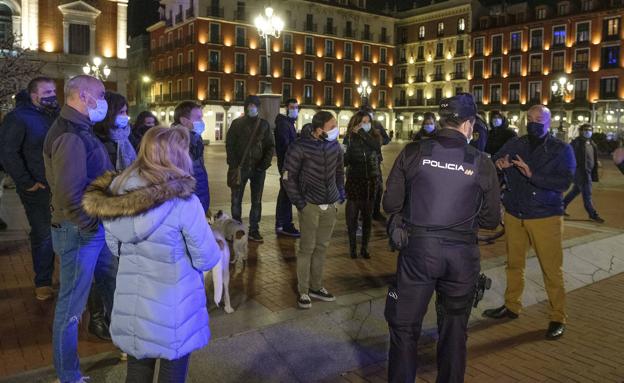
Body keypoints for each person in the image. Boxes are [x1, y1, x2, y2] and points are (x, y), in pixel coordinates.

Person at [83, 126, 220, 383]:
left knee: (137, 370)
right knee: (173, 371)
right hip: (173, 306)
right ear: (176, 157)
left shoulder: (117, 196)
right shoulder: (184, 203)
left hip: (134, 304)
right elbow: (207, 257)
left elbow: (115, 247)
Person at [383, 93, 500, 383]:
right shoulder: (482, 162)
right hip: (461, 258)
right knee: (455, 331)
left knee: (404, 329)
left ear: (443, 120)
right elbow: (491, 220)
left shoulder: (413, 152)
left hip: (418, 253)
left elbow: (389, 203)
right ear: (469, 124)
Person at [43, 75, 118, 383]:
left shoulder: (78, 129)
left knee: (111, 280)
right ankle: (69, 374)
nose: (104, 102)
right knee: (71, 308)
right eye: (100, 95)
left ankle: (125, 340)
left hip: (89, 228)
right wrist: (89, 226)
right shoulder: (71, 135)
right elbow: (68, 194)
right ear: (85, 97)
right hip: (80, 231)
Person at [483, 105, 576, 341]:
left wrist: (531, 175)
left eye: (539, 119)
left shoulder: (561, 148)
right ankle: (512, 306)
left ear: (549, 122)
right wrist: (500, 164)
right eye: (530, 118)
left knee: (551, 270)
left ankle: (558, 316)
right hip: (516, 213)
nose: (534, 122)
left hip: (545, 216)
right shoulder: (517, 143)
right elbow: (496, 159)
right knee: (514, 264)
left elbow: (564, 181)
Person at [0, 78, 59, 300]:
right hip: (37, 187)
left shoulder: (55, 115)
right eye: (47, 91)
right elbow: (8, 153)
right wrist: (27, 182)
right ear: (34, 95)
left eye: (54, 90)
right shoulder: (18, 118)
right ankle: (43, 282)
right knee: (43, 234)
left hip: (58, 184)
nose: (52, 94)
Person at [283, 111, 345, 309]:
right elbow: (287, 177)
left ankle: (317, 287)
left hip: (330, 204)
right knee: (307, 249)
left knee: (322, 247)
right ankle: (304, 291)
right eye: (332, 126)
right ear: (319, 130)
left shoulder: (335, 146)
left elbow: (339, 172)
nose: (336, 129)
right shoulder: (299, 147)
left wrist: (340, 193)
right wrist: (300, 203)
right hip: (309, 204)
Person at [226, 95, 275, 242]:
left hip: (258, 170)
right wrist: (234, 164)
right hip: (240, 168)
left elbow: (270, 146)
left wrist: (263, 165)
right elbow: (230, 145)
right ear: (245, 107)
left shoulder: (264, 125)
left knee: (257, 200)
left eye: (254, 105)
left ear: (258, 107)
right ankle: (236, 227)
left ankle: (254, 229)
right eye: (249, 105)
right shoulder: (236, 124)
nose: (251, 107)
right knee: (236, 199)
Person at [343, 111, 381, 259]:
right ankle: (352, 248)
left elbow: (376, 147)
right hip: (354, 180)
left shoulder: (375, 136)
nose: (366, 124)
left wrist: (362, 134)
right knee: (351, 217)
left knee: (367, 217)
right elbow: (345, 160)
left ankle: (364, 248)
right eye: (362, 122)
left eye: (367, 121)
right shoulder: (349, 138)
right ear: (356, 123)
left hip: (370, 181)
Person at [171, 101, 210, 214]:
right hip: (189, 201)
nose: (201, 121)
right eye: (198, 118)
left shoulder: (194, 139)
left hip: (197, 197)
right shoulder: (180, 142)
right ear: (184, 120)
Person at [563, 124, 604, 223]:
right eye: (585, 130)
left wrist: (596, 162)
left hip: (588, 172)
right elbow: (568, 156)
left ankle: (560, 207)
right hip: (581, 173)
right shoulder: (576, 143)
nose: (588, 132)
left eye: (590, 130)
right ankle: (592, 214)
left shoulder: (591, 143)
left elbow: (592, 156)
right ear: (580, 131)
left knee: (575, 191)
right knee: (587, 194)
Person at [274, 98, 300, 237]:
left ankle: (281, 222)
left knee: (284, 193)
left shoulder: (288, 124)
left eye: (296, 107)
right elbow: (285, 145)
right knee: (287, 194)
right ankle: (286, 225)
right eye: (292, 107)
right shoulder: (284, 125)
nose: (295, 109)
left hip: (287, 165)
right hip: (287, 166)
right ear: (286, 108)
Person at [360, 105, 390, 222]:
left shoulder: (377, 125)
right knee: (363, 189)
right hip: (361, 161)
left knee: (378, 188)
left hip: (376, 160)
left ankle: (376, 212)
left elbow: (387, 139)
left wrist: (378, 140)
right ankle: (363, 213)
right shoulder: (357, 124)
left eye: (371, 114)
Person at [94, 92, 136, 171]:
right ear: (109, 113)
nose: (125, 116)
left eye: (126, 112)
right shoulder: (98, 137)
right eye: (121, 112)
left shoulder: (129, 134)